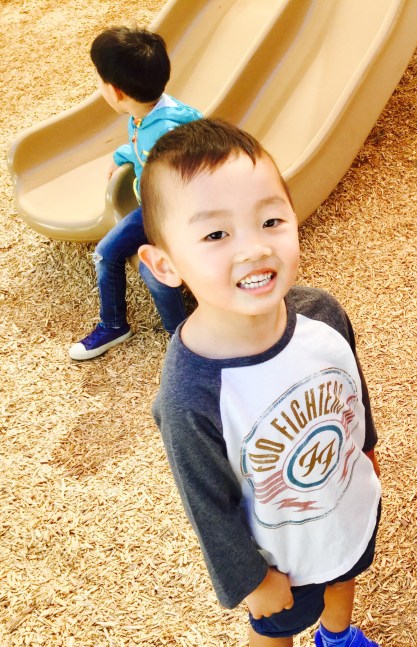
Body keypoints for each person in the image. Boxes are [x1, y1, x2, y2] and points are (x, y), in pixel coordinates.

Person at [137, 119, 381, 647]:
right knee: (275, 632)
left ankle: (338, 637)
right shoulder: (189, 393)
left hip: (345, 508)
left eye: (270, 220)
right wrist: (250, 579)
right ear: (165, 264)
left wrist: (367, 451)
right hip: (279, 559)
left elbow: (349, 390)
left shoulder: (323, 313)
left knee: (345, 573)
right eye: (216, 234)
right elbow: (207, 503)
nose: (253, 248)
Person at [68, 27, 202, 361]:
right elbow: (143, 148)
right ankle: (114, 324)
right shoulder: (145, 114)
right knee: (105, 253)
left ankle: (181, 338)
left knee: (152, 270)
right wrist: (122, 155)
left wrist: (166, 239)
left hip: (179, 217)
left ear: (115, 91)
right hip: (154, 210)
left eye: (99, 80)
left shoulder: (170, 132)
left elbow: (189, 185)